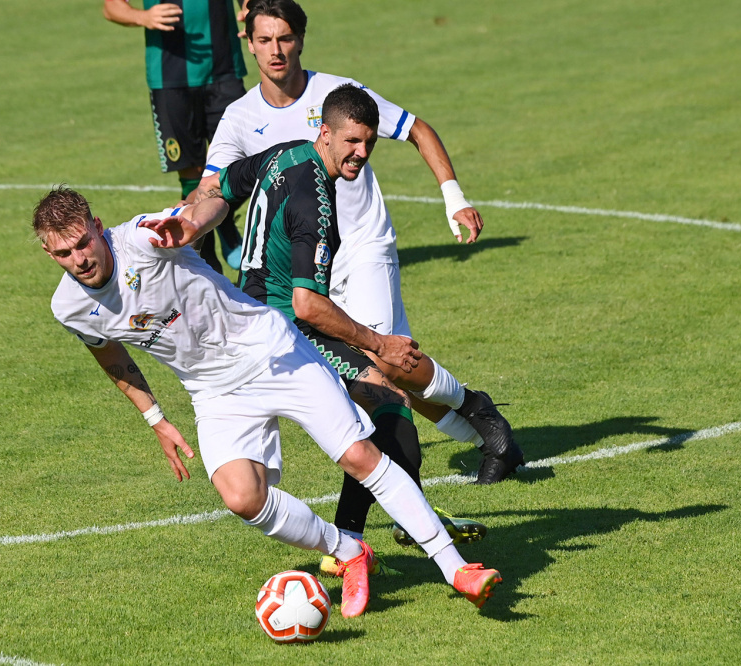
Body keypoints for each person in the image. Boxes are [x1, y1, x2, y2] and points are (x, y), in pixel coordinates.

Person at [33, 185, 503, 616]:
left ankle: (456, 567)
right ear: (48, 252)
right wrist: (155, 418)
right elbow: (109, 353)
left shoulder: (142, 237)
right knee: (242, 497)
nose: (78, 259)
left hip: (271, 352)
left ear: (97, 228)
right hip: (214, 391)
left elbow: (209, 205)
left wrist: (196, 224)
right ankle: (349, 551)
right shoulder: (68, 307)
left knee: (359, 455)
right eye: (63, 253)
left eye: (82, 243)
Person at [202, 0, 524, 485]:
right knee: (368, 378)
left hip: (363, 248)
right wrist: (176, 225)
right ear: (248, 44)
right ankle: (484, 430)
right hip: (308, 269)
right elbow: (212, 188)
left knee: (380, 363)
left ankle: (456, 434)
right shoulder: (240, 117)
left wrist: (453, 197)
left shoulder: (336, 93)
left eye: (285, 38)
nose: (276, 50)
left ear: (301, 39)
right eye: (264, 40)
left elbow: (416, 128)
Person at [195, 84, 488, 577]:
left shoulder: (282, 155)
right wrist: (378, 343)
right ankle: (350, 547)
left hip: (253, 322)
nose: (361, 153)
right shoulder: (317, 203)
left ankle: (363, 543)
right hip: (282, 332)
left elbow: (215, 189)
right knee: (394, 431)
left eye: (369, 143)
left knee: (385, 416)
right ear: (325, 132)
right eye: (352, 141)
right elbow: (307, 306)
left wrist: (183, 226)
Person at [102, 0, 247, 272]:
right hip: (170, 77)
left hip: (225, 68)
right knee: (190, 171)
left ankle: (225, 225)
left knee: (236, 161)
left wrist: (252, 7)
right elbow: (111, 7)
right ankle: (205, 261)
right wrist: (142, 16)